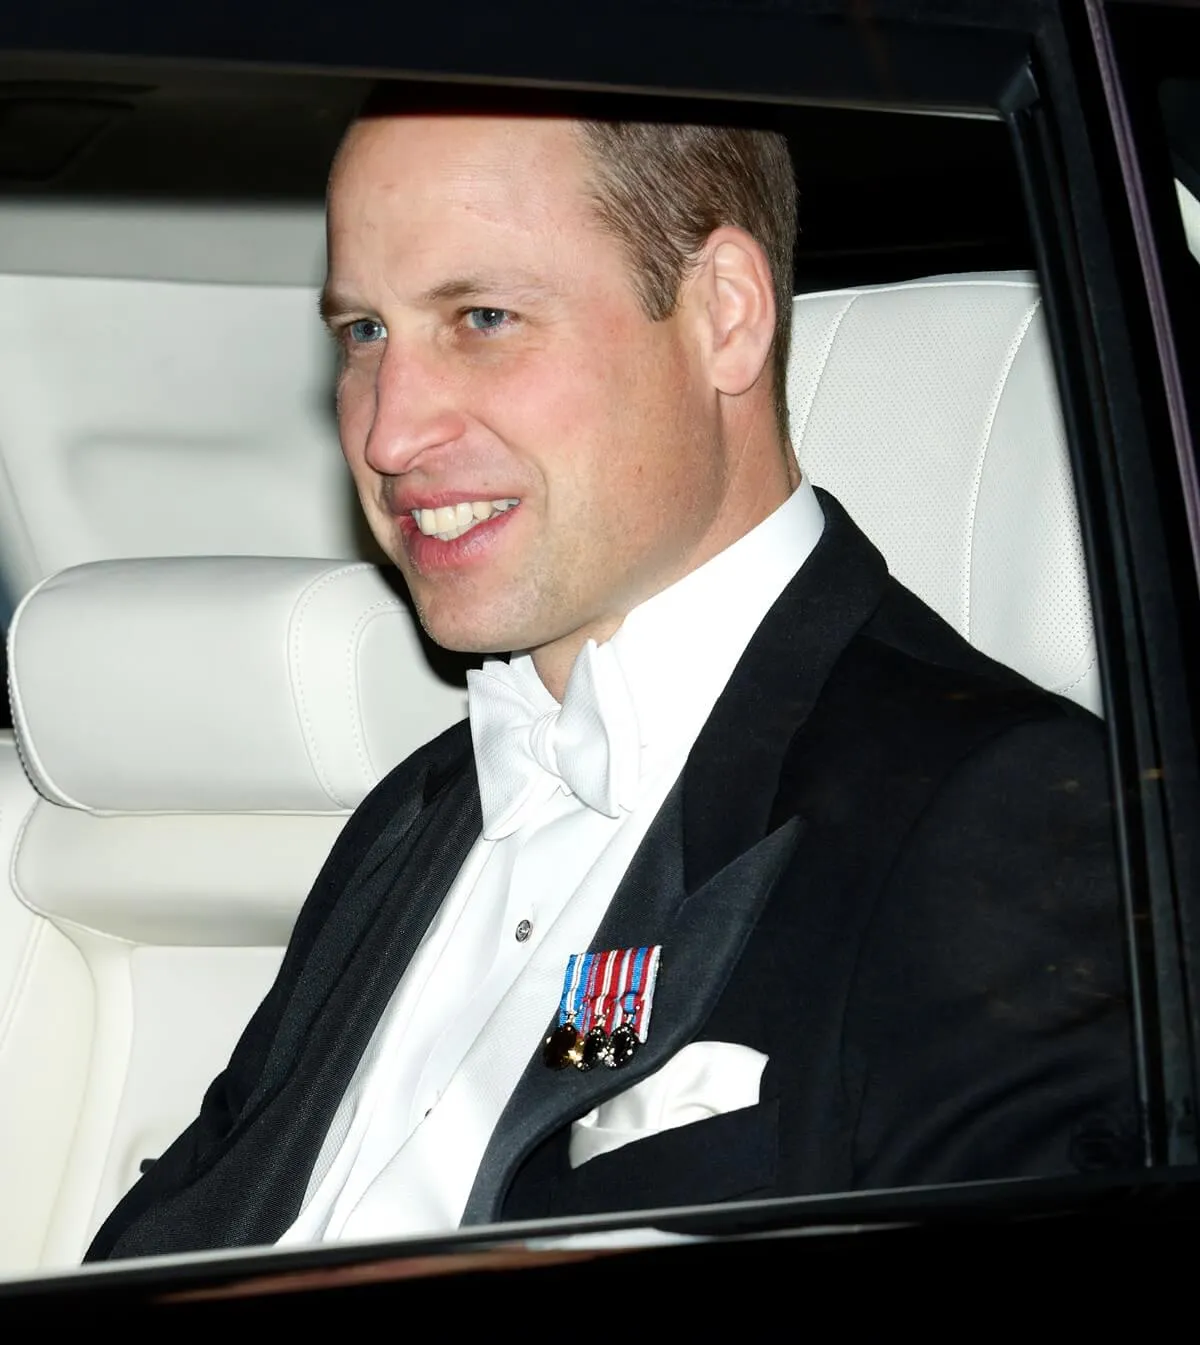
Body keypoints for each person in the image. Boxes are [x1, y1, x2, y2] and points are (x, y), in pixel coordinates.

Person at [85, 89, 1137, 1260]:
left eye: (481, 316)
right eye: (363, 334)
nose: (387, 434)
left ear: (726, 314)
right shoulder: (412, 817)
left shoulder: (1009, 810)